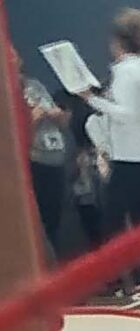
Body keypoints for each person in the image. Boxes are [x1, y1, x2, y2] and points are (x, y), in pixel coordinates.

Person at [80, 10, 140, 307]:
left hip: (130, 159)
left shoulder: (125, 71)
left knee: (112, 223)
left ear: (117, 42)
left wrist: (91, 99)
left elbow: (126, 113)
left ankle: (123, 280)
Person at [21, 72, 70, 260]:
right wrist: (33, 118)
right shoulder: (7, 95)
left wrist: (58, 116)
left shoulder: (34, 84)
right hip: (34, 159)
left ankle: (54, 261)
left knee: (54, 218)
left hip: (55, 156)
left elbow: (63, 123)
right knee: (37, 224)